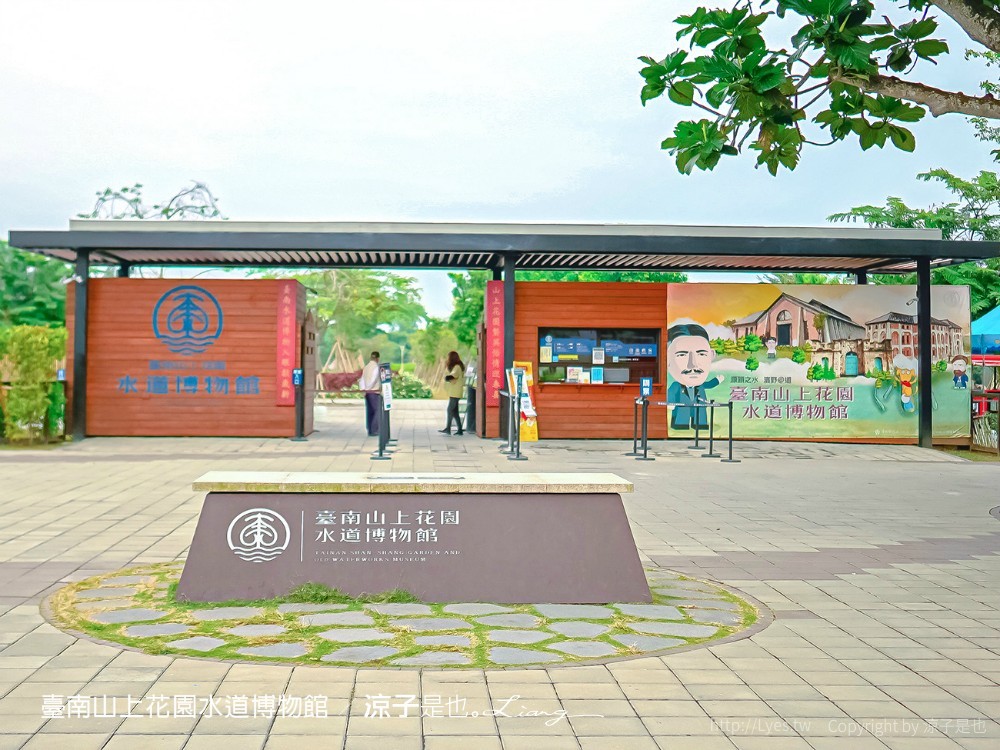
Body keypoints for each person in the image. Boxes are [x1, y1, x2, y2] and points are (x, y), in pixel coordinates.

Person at [666, 323, 724, 430]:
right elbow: (671, 394)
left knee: (700, 415)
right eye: (682, 355)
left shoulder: (701, 385)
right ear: (667, 358)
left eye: (701, 354)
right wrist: (670, 403)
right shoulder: (676, 386)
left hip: (699, 406)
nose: (692, 365)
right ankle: (680, 425)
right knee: (681, 416)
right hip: (682, 408)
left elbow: (709, 385)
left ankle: (700, 424)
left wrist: (717, 380)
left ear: (712, 355)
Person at [439, 350, 466, 435]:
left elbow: (453, 375)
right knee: (455, 412)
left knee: (449, 410)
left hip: (455, 392)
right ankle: (460, 430)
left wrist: (447, 377)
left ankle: (448, 428)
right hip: (456, 391)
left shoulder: (457, 367)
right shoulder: (458, 366)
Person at [358, 351, 382, 436]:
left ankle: (369, 429)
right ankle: (374, 429)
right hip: (374, 392)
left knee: (370, 411)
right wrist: (369, 388)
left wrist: (363, 390)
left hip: (367, 392)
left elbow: (362, 380)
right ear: (377, 358)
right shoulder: (376, 367)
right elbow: (374, 379)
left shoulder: (366, 367)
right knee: (377, 410)